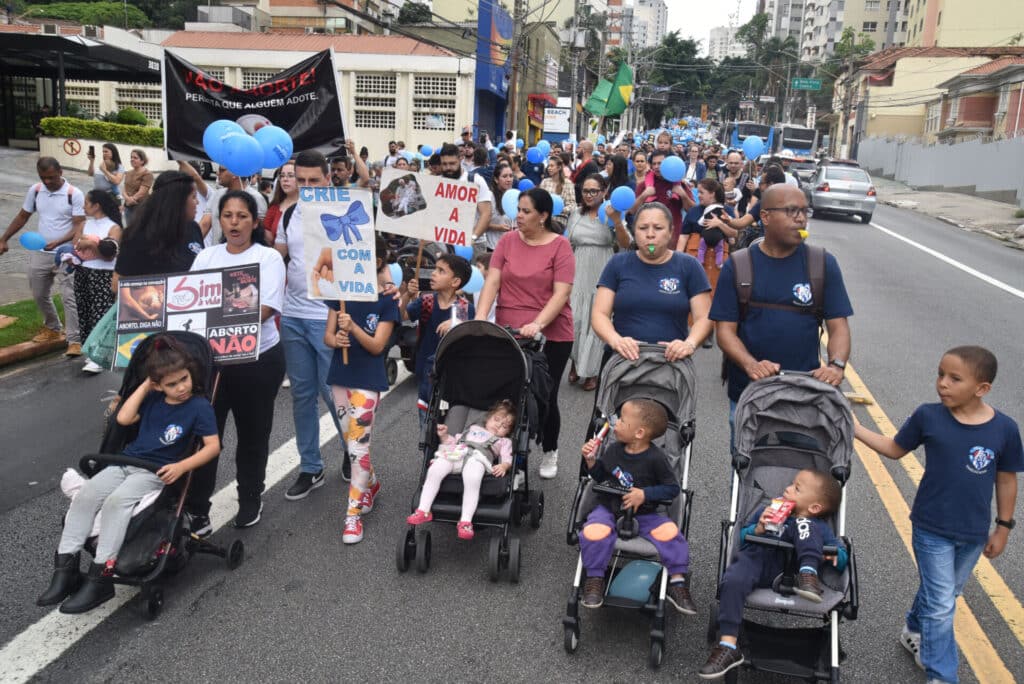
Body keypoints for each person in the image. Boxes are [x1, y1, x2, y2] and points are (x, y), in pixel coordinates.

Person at [853, 346, 1022, 684]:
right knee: (942, 604)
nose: (942, 383)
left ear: (982, 388)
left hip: (973, 533)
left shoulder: (1004, 429)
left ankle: (913, 628)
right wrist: (854, 427)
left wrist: (1003, 526)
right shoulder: (928, 416)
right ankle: (942, 675)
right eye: (940, 375)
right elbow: (894, 449)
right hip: (931, 527)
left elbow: (1006, 480)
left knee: (943, 595)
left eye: (954, 378)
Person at [36, 336, 219, 613]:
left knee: (115, 502)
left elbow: (213, 446)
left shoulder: (198, 406)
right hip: (124, 462)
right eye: (172, 383)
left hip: (155, 470)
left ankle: (102, 574)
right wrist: (147, 384)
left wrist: (182, 466)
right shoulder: (154, 399)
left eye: (184, 379)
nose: (181, 387)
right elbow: (123, 419)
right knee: (86, 495)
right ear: (158, 385)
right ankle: (66, 567)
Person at [710, 185, 853, 447]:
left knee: (803, 475)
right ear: (765, 217)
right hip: (749, 393)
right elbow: (725, 332)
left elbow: (839, 326)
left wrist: (836, 366)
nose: (800, 218)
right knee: (746, 472)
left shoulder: (822, 264)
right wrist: (751, 365)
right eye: (791, 211)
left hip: (804, 395)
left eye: (803, 211)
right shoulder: (739, 265)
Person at [187, 191, 286, 528]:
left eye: (242, 216)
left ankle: (250, 499)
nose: (234, 222)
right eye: (227, 215)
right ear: (219, 219)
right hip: (209, 365)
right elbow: (188, 304)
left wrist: (214, 316)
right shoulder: (205, 257)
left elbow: (266, 310)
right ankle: (197, 509)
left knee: (253, 435)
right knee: (204, 436)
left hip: (257, 361)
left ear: (254, 222)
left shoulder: (269, 258)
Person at [699, 470, 848, 679]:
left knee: (803, 524)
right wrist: (758, 529)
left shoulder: (818, 527)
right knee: (734, 579)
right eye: (790, 484)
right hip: (758, 559)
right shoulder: (767, 509)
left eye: (796, 488)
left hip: (793, 570)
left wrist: (835, 556)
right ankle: (728, 644)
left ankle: (808, 574)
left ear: (814, 507)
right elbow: (742, 537)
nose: (787, 488)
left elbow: (841, 553)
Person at [475, 187, 574, 479]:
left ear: (543, 216)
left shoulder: (560, 247)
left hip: (552, 333)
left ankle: (550, 447)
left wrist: (539, 323)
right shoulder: (506, 241)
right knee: (510, 396)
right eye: (517, 209)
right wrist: (480, 318)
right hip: (510, 329)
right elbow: (492, 282)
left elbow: (561, 293)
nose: (518, 216)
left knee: (544, 395)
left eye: (526, 211)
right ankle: (514, 459)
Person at [275, 151, 349, 502]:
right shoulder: (289, 212)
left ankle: (353, 451)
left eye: (313, 181)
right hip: (292, 315)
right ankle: (310, 466)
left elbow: (359, 265)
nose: (305, 187)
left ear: (328, 179)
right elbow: (279, 258)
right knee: (302, 396)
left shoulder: (345, 210)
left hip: (327, 317)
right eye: (299, 181)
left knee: (333, 394)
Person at [578, 399, 696, 614]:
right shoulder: (613, 450)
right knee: (593, 531)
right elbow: (600, 477)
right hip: (610, 508)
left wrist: (645, 494)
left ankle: (677, 582)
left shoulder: (656, 458)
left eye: (622, 421)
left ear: (639, 433)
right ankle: (595, 578)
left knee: (671, 533)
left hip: (645, 513)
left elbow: (671, 489)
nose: (615, 424)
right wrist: (592, 462)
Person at [591, 202, 712, 401]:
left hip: (670, 364)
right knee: (609, 426)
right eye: (643, 228)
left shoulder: (688, 266)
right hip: (621, 361)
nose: (650, 234)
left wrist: (689, 344)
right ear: (634, 231)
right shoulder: (618, 264)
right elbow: (599, 314)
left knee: (668, 428)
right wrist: (616, 341)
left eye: (658, 228)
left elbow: (704, 316)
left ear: (671, 231)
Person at [323, 234, 400, 544]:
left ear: (377, 261)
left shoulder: (386, 300)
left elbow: (378, 346)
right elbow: (328, 336)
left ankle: (352, 515)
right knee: (351, 443)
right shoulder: (339, 291)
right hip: (339, 376)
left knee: (358, 447)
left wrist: (352, 328)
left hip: (367, 380)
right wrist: (336, 339)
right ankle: (371, 482)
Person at [0, 157, 84, 352]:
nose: (47, 182)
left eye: (51, 177)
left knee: (69, 297)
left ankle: (74, 340)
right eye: (43, 177)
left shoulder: (74, 194)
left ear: (60, 172)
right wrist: (4, 238)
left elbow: (80, 224)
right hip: (41, 253)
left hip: (65, 253)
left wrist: (60, 242)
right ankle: (53, 328)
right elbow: (23, 216)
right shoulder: (36, 190)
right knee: (38, 293)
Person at [406, 400, 516, 539]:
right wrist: (444, 436)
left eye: (504, 426)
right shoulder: (472, 429)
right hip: (457, 452)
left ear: (507, 432)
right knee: (436, 469)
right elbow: (453, 442)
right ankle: (423, 510)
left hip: (478, 458)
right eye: (497, 420)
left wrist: (504, 465)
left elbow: (507, 457)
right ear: (487, 418)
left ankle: (465, 521)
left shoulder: (504, 441)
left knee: (473, 478)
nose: (498, 425)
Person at [565, 174, 630, 392]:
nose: (589, 195)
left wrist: (617, 221)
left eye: (594, 191)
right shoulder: (575, 214)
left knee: (596, 322)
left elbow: (626, 244)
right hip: (577, 271)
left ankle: (591, 371)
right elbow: (568, 243)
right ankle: (576, 362)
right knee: (575, 320)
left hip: (602, 270)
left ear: (604, 192)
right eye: (585, 191)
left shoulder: (612, 213)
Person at [401, 253, 474, 422]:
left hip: (452, 374)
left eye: (441, 271)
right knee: (425, 424)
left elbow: (469, 334)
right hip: (425, 371)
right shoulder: (426, 301)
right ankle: (428, 447)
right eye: (435, 269)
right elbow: (402, 315)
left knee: (446, 424)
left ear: (455, 282)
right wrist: (406, 295)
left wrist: (456, 322)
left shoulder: (464, 307)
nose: (433, 273)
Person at [115, 171, 204, 277]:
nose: (197, 202)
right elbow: (118, 284)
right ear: (178, 201)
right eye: (194, 197)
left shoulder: (193, 228)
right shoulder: (137, 236)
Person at [73, 190, 122, 374]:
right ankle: (89, 349)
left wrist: (92, 244)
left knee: (100, 313)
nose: (84, 206)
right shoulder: (84, 224)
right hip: (83, 271)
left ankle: (99, 354)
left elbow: (110, 254)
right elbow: (76, 245)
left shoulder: (113, 227)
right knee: (84, 311)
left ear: (97, 205)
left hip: (103, 274)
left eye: (86, 203)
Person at [438, 144, 493, 251]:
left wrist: (472, 237)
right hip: (444, 244)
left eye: (452, 163)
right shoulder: (436, 182)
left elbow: (486, 213)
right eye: (444, 164)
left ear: (460, 159)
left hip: (474, 244)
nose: (448, 168)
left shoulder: (475, 180)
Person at [635, 150, 694, 246]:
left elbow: (691, 210)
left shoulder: (680, 184)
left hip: (673, 238)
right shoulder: (644, 185)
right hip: (650, 238)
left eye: (660, 163)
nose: (656, 166)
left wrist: (683, 195)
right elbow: (632, 210)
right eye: (654, 164)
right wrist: (644, 195)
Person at [200, 165, 267, 247]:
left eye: (222, 170)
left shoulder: (256, 198)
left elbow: (261, 233)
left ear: (235, 173)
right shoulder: (217, 195)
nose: (217, 173)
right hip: (218, 255)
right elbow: (204, 225)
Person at [539, 155, 577, 234]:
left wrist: (559, 209)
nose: (549, 168)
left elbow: (572, 205)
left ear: (559, 168)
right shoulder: (545, 182)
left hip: (559, 220)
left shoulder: (567, 184)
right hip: (544, 218)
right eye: (548, 166)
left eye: (552, 166)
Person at [483, 162, 516, 249]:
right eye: (504, 176)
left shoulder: (515, 196)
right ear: (496, 179)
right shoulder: (490, 197)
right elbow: (480, 223)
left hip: (511, 248)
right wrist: (498, 227)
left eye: (511, 176)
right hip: (493, 248)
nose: (509, 179)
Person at [264, 161, 297, 242]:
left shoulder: (310, 206)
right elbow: (269, 238)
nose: (285, 179)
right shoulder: (274, 207)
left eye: (290, 175)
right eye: (282, 176)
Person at [121, 149, 153, 228]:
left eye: (135, 158)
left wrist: (131, 200)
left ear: (142, 161)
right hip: (128, 206)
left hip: (140, 206)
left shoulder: (147, 174)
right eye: (131, 157)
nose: (132, 159)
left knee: (139, 229)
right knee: (129, 227)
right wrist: (127, 200)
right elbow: (124, 188)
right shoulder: (128, 173)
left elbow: (143, 191)